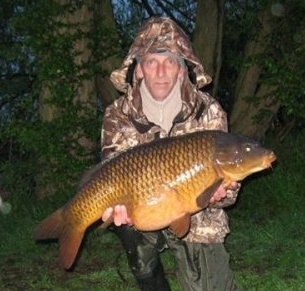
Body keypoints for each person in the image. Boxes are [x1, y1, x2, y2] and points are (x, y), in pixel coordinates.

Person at [100, 17, 240, 291]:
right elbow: (111, 173)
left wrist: (222, 194)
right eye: (152, 61)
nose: (161, 71)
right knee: (126, 225)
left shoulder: (208, 112)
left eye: (170, 61)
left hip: (196, 212)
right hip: (146, 209)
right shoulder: (118, 115)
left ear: (181, 69)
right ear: (139, 69)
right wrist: (115, 208)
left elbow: (230, 191)